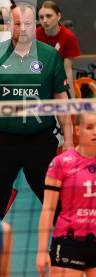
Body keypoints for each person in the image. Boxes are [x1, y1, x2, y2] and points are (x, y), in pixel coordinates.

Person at [0, 3, 74, 219]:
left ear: (34, 25)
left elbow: (61, 102)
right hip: (2, 142)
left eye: (27, 24)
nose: (23, 29)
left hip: (40, 141)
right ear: (9, 25)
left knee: (56, 202)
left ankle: (67, 239)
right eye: (17, 24)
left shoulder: (50, 56)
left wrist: (69, 141)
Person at [36, 112, 96, 276]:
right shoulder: (61, 163)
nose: (95, 132)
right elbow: (48, 209)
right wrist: (42, 250)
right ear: (77, 130)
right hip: (68, 242)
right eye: (89, 127)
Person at [37, 1, 81, 96]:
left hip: (59, 83)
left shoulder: (68, 37)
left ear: (58, 16)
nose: (45, 20)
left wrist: (72, 99)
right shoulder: (34, 35)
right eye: (41, 17)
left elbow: (67, 71)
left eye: (49, 16)